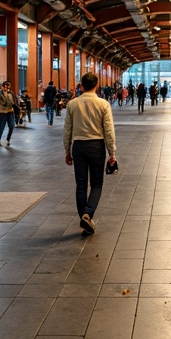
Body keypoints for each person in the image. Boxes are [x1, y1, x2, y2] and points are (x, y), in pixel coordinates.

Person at [63, 71, 117, 235]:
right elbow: (108, 129)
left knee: (81, 185)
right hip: (96, 146)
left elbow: (67, 130)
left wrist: (67, 150)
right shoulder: (103, 104)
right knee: (97, 184)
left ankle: (84, 218)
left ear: (81, 86)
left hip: (78, 146)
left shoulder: (72, 104)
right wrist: (112, 152)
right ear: (97, 85)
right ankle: (88, 214)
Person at [0, 81, 17, 146]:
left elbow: (15, 102)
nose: (6, 88)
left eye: (7, 87)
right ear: (2, 87)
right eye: (4, 87)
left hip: (10, 111)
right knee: (2, 127)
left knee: (12, 125)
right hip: (2, 112)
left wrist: (17, 111)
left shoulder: (11, 93)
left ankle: (8, 139)